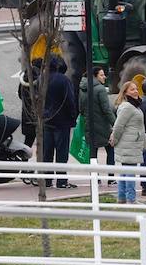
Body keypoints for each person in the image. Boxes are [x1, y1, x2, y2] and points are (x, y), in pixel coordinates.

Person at [42, 57, 78, 188]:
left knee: (47, 152)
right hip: (62, 121)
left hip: (46, 120)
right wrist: (73, 116)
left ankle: (46, 180)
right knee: (61, 153)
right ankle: (61, 181)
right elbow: (70, 100)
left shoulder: (42, 79)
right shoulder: (63, 80)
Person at [109, 81, 146, 205]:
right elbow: (118, 126)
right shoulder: (127, 107)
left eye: (136, 89)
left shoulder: (134, 105)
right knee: (129, 172)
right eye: (132, 89)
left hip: (132, 143)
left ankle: (122, 198)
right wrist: (114, 139)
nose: (135, 91)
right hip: (128, 144)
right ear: (125, 93)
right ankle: (131, 199)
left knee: (125, 171)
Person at [80, 66, 115, 182]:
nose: (104, 76)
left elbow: (80, 109)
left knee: (93, 152)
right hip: (103, 126)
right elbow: (106, 109)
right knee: (110, 149)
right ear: (95, 76)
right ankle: (111, 178)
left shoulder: (82, 88)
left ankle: (95, 178)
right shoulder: (100, 89)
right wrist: (115, 123)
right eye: (101, 74)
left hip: (89, 125)